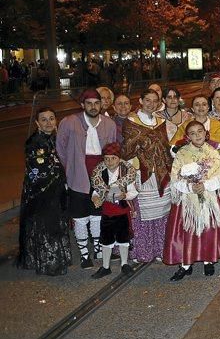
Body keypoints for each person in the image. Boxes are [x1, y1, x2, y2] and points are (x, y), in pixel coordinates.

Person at [164, 121, 220, 281]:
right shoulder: (182, 154)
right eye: (193, 133)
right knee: (187, 231)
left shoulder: (213, 152)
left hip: (209, 195)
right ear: (188, 137)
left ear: (206, 133)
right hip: (187, 198)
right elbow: (175, 177)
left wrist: (205, 185)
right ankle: (185, 263)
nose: (197, 136)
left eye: (200, 132)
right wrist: (189, 187)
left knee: (209, 230)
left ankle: (208, 259)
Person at [56, 89, 117, 268]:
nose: (93, 107)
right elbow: (61, 148)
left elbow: (112, 150)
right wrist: (71, 169)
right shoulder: (69, 122)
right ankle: (84, 254)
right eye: (89, 103)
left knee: (98, 214)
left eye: (96, 103)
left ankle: (98, 248)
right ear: (82, 105)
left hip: (100, 173)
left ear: (101, 105)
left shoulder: (109, 124)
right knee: (81, 216)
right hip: (78, 175)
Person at [18, 107, 71, 276]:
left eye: (51, 119)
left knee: (57, 225)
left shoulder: (54, 138)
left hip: (56, 191)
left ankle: (58, 259)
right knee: (47, 227)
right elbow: (40, 169)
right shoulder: (35, 142)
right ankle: (51, 264)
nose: (48, 123)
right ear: (37, 123)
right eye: (44, 119)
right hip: (42, 193)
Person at [121, 89, 173, 264]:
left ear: (159, 103)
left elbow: (165, 146)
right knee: (143, 213)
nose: (151, 104)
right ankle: (143, 251)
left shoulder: (161, 121)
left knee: (161, 211)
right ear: (141, 101)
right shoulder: (131, 121)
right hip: (141, 171)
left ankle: (160, 248)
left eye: (154, 101)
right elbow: (128, 149)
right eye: (147, 100)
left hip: (160, 172)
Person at [88, 142, 138, 279]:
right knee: (106, 240)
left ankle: (124, 263)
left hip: (122, 212)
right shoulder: (100, 173)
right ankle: (105, 266)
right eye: (106, 158)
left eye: (113, 158)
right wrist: (95, 198)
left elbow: (134, 192)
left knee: (123, 239)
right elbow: (95, 190)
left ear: (119, 159)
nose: (110, 162)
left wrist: (125, 195)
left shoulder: (126, 172)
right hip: (107, 213)